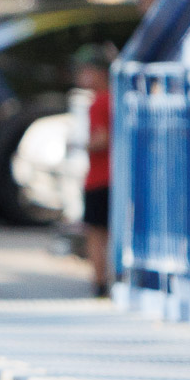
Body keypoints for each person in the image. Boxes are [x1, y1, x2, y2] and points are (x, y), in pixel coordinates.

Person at [76, 43, 114, 296]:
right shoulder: (113, 98)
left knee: (96, 235)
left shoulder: (99, 102)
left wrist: (80, 144)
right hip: (111, 177)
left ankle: (99, 281)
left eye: (86, 71)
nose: (81, 77)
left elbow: (102, 138)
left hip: (99, 178)